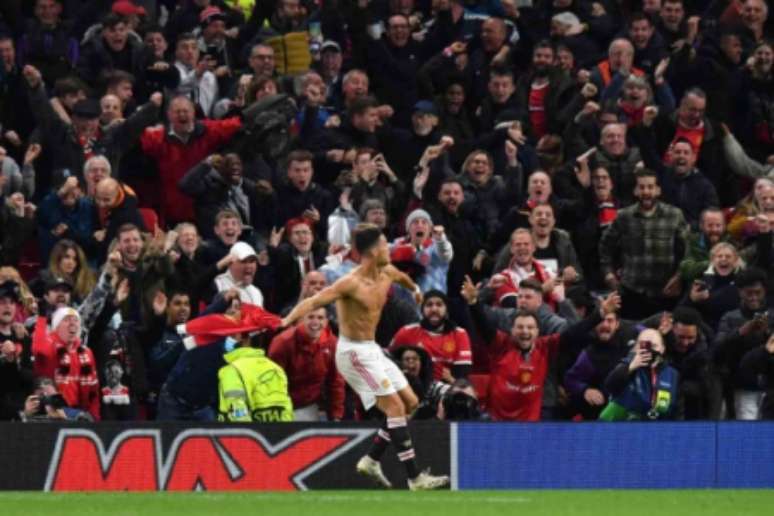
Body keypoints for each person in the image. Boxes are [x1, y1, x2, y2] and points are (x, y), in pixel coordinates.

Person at [280, 223, 449, 490]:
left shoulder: (387, 271)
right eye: (384, 244)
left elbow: (403, 279)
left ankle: (371, 459)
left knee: (411, 403)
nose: (389, 248)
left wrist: (416, 290)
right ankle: (415, 477)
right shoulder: (350, 283)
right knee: (394, 408)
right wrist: (287, 319)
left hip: (372, 348)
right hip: (353, 353)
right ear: (371, 252)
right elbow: (314, 301)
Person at [268, 307, 344, 421]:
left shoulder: (333, 344)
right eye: (310, 317)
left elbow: (336, 382)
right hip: (284, 402)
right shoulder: (282, 342)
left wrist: (336, 416)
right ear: (301, 320)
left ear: (326, 321)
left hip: (312, 404)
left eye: (320, 318)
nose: (316, 322)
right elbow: (272, 382)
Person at [390, 289, 472, 382]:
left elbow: (462, 374)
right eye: (429, 305)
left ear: (446, 309)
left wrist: (451, 380)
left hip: (447, 387)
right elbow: (389, 360)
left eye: (439, 304)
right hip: (415, 386)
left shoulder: (459, 334)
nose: (434, 309)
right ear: (422, 310)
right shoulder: (407, 332)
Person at [600, 328, 680, 420]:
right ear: (636, 347)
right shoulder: (626, 365)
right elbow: (609, 386)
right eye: (643, 345)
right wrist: (630, 367)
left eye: (653, 346)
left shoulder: (672, 374)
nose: (649, 350)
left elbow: (676, 408)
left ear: (662, 348)